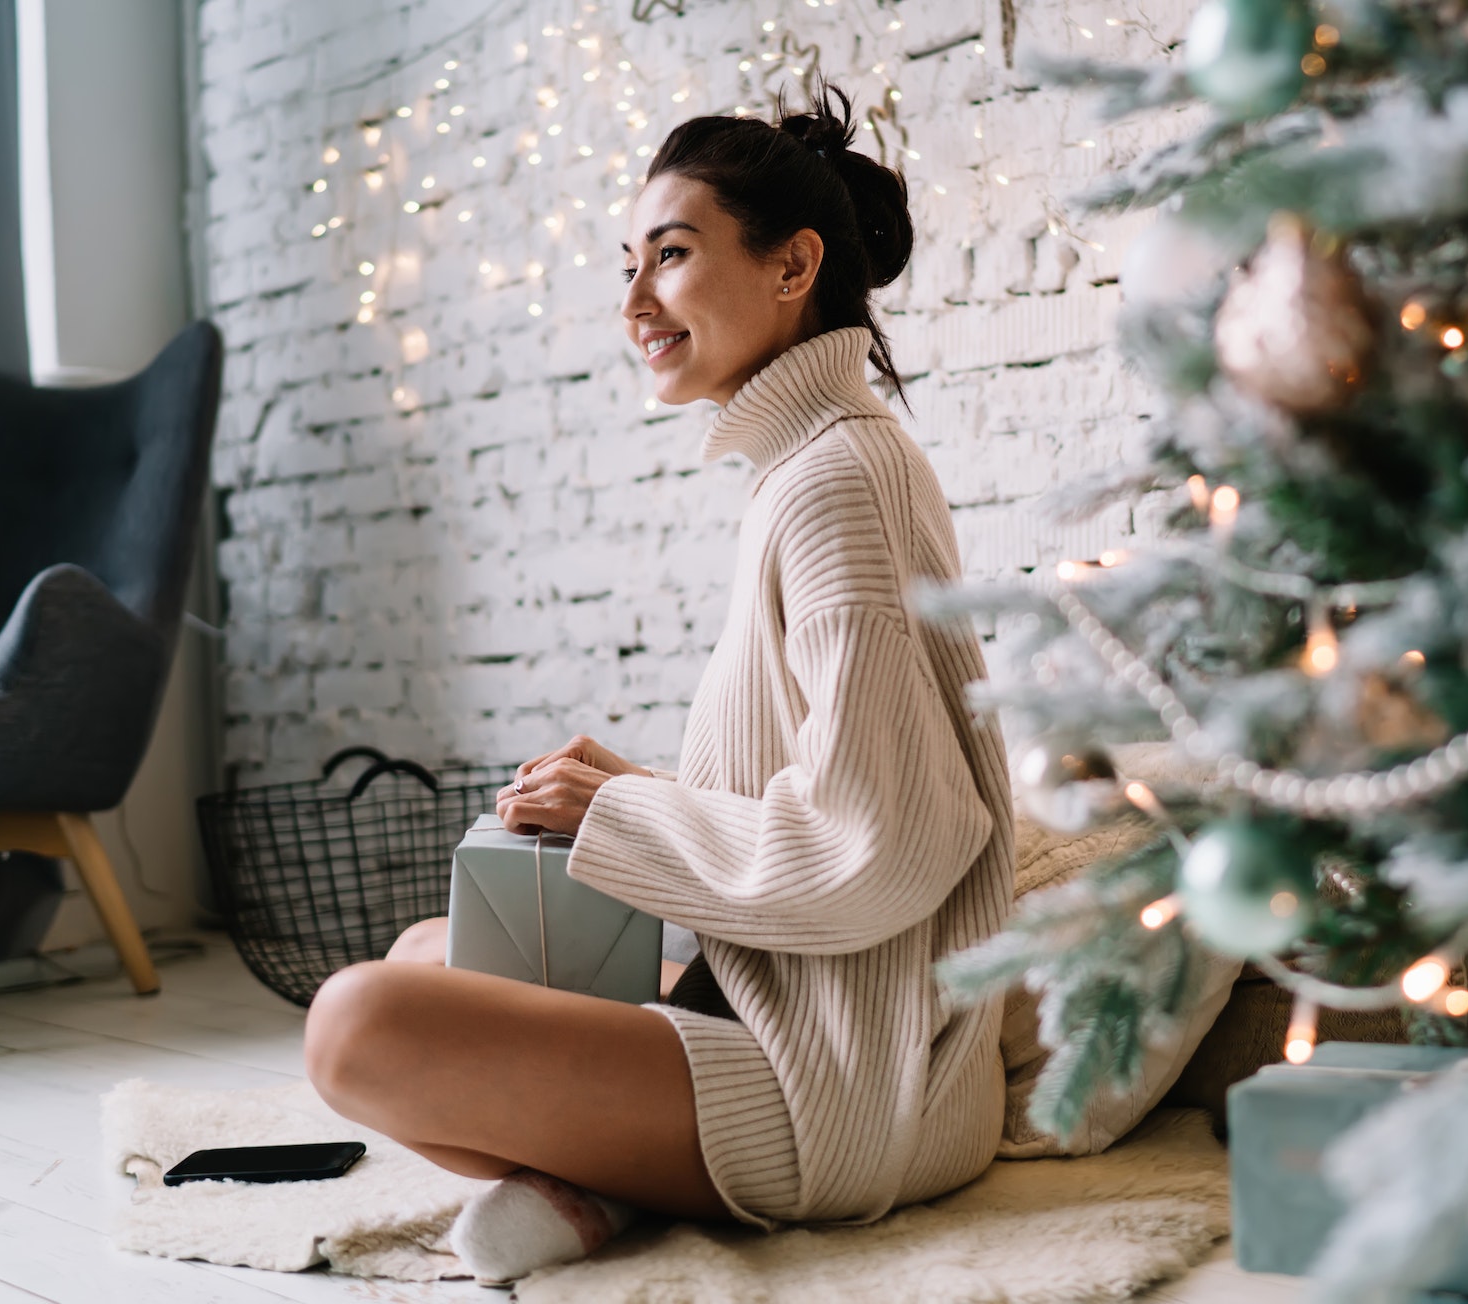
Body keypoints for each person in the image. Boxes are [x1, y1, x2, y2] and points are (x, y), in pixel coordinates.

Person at [302, 82, 1014, 1283]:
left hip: (843, 1085)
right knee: (434, 950)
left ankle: (608, 1186)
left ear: (794, 267)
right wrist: (631, 788)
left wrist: (619, 814)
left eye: (670, 258)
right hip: (780, 1011)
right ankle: (606, 1186)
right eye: (626, 265)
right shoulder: (811, 462)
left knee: (356, 1022)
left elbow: (881, 841)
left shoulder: (836, 478)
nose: (634, 303)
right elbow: (835, 782)